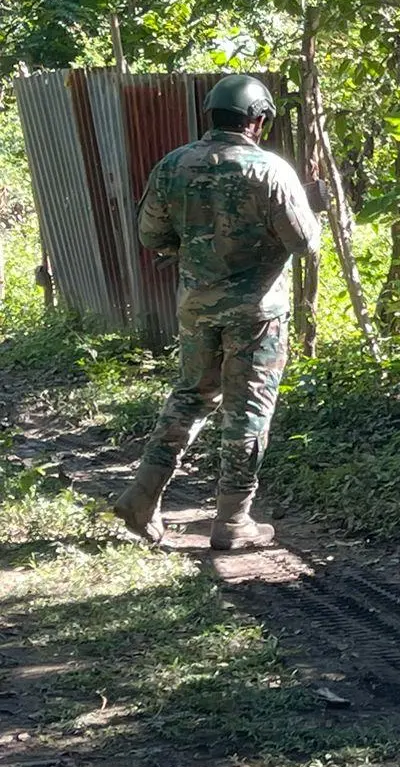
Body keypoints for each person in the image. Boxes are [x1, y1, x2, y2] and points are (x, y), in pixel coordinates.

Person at [113, 75, 321, 551]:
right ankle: (232, 520)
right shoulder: (270, 170)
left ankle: (142, 495)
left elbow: (150, 234)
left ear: (211, 114)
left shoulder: (173, 165)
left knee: (190, 397)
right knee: (248, 408)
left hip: (196, 308)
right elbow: (303, 243)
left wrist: (189, 247)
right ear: (258, 120)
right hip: (257, 315)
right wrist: (312, 208)